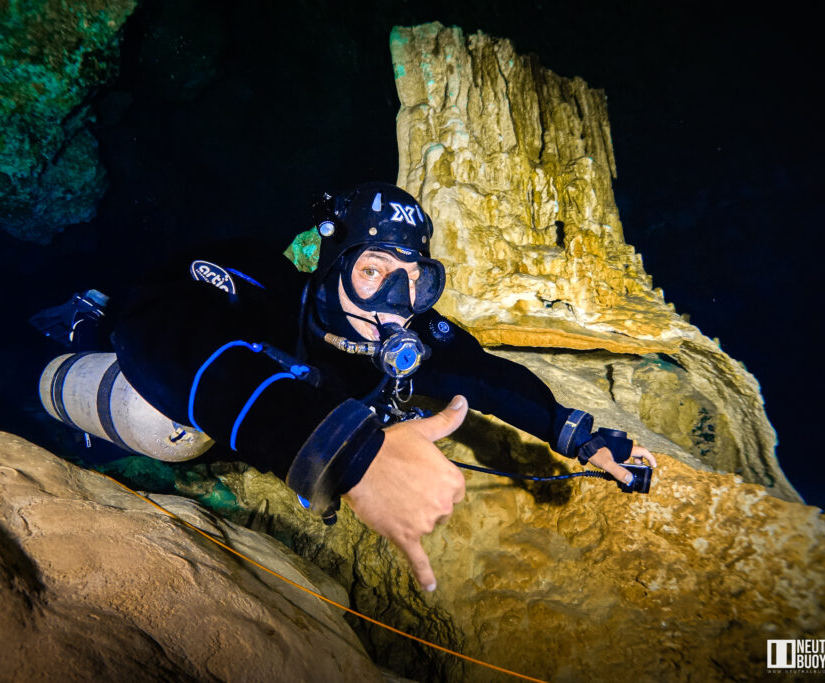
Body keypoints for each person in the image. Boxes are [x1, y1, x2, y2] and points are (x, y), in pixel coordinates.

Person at [109, 181, 656, 592]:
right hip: (179, 410)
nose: (395, 302)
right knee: (161, 429)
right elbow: (158, 318)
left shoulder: (415, 339)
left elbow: (491, 377)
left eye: (414, 280)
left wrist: (577, 435)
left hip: (294, 444)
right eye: (374, 272)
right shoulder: (265, 288)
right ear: (337, 262)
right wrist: (346, 452)